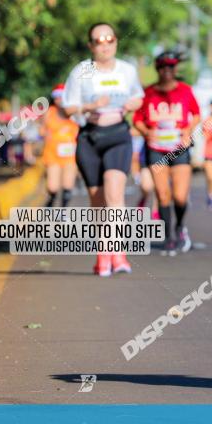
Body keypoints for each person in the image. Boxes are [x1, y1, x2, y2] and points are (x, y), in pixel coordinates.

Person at [62, 23, 144, 277]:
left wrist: (133, 103)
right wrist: (90, 106)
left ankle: (118, 255)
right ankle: (103, 256)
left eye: (109, 39)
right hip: (90, 138)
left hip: (118, 135)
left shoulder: (127, 70)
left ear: (116, 42)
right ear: (91, 46)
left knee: (114, 195)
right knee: (97, 202)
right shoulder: (81, 72)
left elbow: (139, 96)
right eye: (98, 40)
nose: (105, 44)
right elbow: (68, 108)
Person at [133, 52, 201, 256]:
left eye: (171, 67)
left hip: (179, 148)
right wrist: (147, 132)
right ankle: (168, 236)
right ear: (157, 69)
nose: (167, 71)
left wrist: (188, 130)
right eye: (163, 67)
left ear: (176, 69)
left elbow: (196, 115)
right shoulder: (148, 93)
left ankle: (180, 226)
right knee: (163, 194)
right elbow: (137, 120)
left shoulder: (185, 91)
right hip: (156, 149)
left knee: (180, 197)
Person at [41, 84, 80, 207]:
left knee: (68, 186)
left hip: (70, 156)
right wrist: (47, 134)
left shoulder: (74, 113)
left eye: (62, 97)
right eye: (57, 97)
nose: (60, 100)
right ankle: (50, 205)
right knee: (53, 187)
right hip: (53, 154)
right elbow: (42, 131)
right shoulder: (50, 113)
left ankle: (63, 211)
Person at [130, 126, 158, 218]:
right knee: (146, 186)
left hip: (166, 154)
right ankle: (144, 198)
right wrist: (147, 131)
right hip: (147, 154)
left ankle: (156, 211)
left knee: (159, 187)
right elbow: (133, 130)